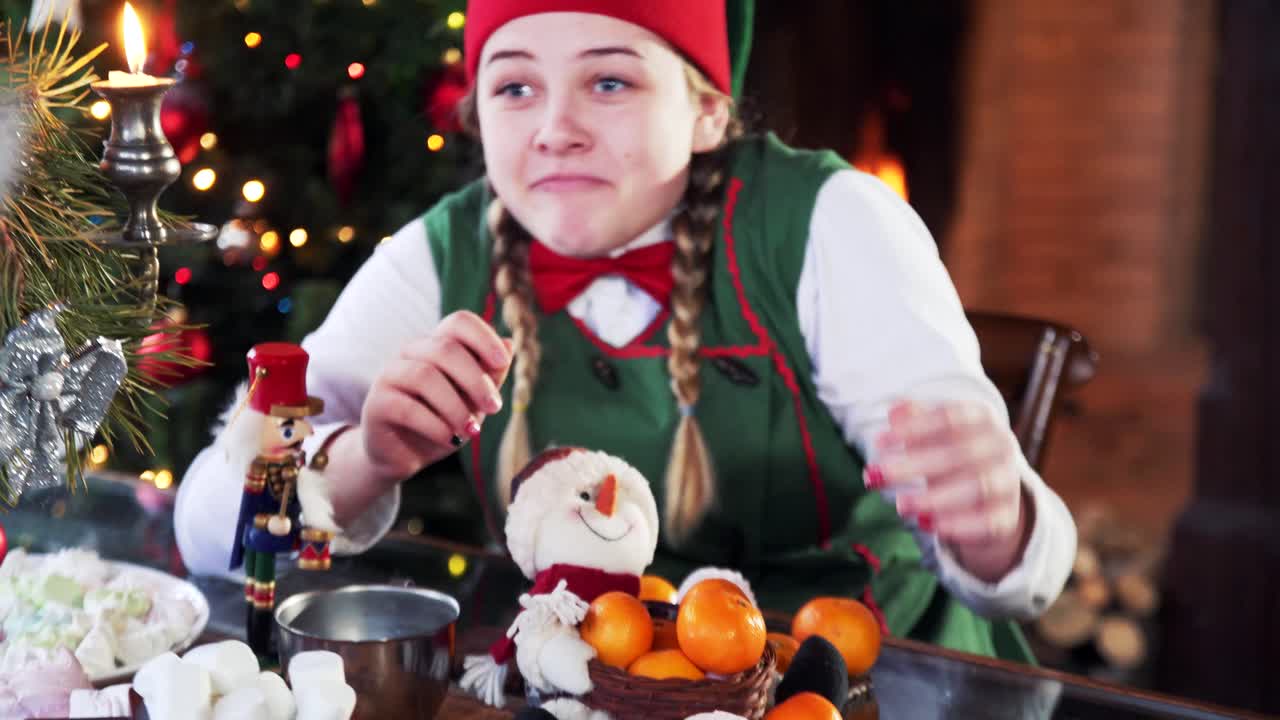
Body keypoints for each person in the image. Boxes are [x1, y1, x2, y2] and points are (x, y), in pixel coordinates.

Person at [176, 0, 1076, 662]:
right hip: (592, 684)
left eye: (609, 81)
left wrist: (993, 522)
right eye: (516, 87)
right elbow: (207, 532)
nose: (556, 130)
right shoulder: (440, 253)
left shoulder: (832, 222)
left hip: (862, 682)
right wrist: (363, 458)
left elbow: (1025, 570)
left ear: (708, 110)